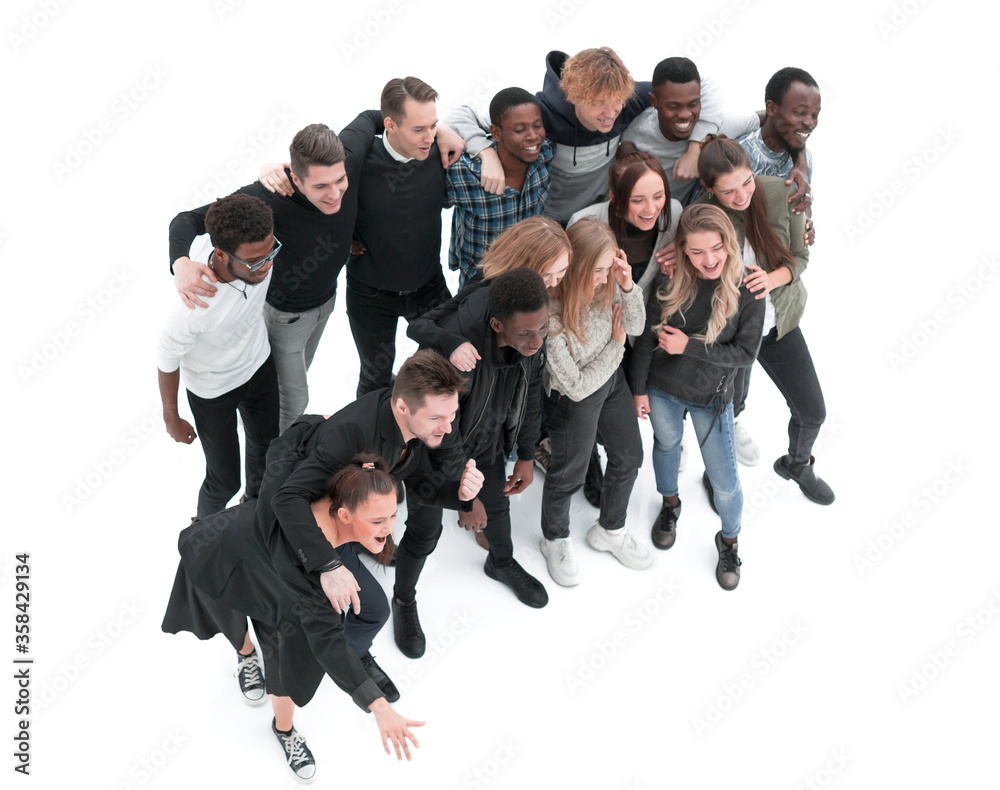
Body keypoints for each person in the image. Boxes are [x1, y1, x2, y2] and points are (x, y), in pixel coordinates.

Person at [162, 452, 424, 783]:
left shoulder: (321, 493)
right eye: (377, 521)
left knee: (283, 667)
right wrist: (380, 708)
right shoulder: (315, 580)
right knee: (231, 620)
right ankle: (245, 656)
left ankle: (283, 730)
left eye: (391, 516)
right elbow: (329, 642)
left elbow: (302, 433)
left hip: (272, 586)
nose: (389, 530)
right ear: (343, 513)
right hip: (223, 558)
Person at [395, 269, 551, 658]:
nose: (537, 341)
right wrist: (463, 498)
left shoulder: (532, 332)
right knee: (424, 533)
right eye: (525, 335)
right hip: (433, 458)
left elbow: (530, 399)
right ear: (497, 324)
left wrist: (527, 455)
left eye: (543, 329)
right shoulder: (455, 356)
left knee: (498, 507)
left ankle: (501, 563)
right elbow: (438, 435)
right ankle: (403, 600)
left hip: (488, 441)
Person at [266, 350, 484, 620]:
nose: (448, 428)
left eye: (452, 415)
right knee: (361, 612)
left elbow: (419, 484)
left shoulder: (416, 424)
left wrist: (462, 494)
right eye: (437, 418)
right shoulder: (351, 436)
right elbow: (287, 498)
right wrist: (329, 565)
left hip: (351, 502)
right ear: (403, 407)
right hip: (314, 519)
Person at [169, 124, 359, 433]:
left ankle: (266, 436)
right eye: (322, 186)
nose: (335, 193)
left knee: (288, 387)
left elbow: (376, 116)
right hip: (286, 317)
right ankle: (276, 461)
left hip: (326, 303)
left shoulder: (350, 155)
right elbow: (186, 220)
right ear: (296, 178)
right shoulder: (269, 196)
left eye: (340, 180)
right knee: (295, 400)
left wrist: (445, 130)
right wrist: (180, 263)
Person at [629, 204, 764, 591]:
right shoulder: (671, 280)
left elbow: (745, 355)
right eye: (698, 252)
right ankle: (670, 505)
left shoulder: (748, 287)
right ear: (683, 252)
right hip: (662, 390)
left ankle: (729, 540)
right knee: (667, 446)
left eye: (717, 248)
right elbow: (646, 343)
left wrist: (689, 347)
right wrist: (639, 388)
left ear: (729, 242)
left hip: (712, 397)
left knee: (725, 481)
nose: (710, 260)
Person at [695, 135, 833, 504]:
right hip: (734, 330)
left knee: (812, 411)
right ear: (710, 189)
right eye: (728, 192)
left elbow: (801, 257)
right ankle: (716, 472)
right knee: (729, 408)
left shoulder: (781, 194)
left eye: (746, 182)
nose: (742, 196)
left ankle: (797, 463)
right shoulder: (704, 216)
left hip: (778, 325)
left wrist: (773, 278)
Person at [538, 217, 648, 586]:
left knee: (630, 456)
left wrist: (627, 285)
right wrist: (616, 347)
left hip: (611, 382)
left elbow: (634, 327)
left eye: (608, 269)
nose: (604, 278)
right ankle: (553, 538)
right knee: (567, 475)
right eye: (598, 271)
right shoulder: (551, 313)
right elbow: (576, 385)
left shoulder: (609, 286)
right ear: (578, 267)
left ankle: (610, 530)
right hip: (571, 401)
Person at [157, 193, 280, 519]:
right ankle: (203, 540)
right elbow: (166, 358)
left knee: (266, 454)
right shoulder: (191, 307)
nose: (267, 265)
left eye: (271, 253)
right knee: (224, 481)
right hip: (213, 391)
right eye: (256, 261)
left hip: (259, 365)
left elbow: (188, 216)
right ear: (221, 254)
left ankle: (254, 512)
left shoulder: (259, 248)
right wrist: (172, 417)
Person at [448, 47, 658, 225]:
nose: (611, 113)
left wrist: (693, 145)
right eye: (598, 104)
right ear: (574, 97)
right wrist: (486, 153)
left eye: (618, 101)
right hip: (545, 222)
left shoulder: (628, 100)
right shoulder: (541, 113)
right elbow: (460, 116)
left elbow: (685, 97)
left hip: (592, 220)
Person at [445, 87, 555, 287]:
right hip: (479, 285)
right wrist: (485, 151)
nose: (533, 136)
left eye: (537, 126)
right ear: (495, 132)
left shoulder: (546, 155)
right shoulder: (464, 172)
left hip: (528, 280)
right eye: (520, 130)